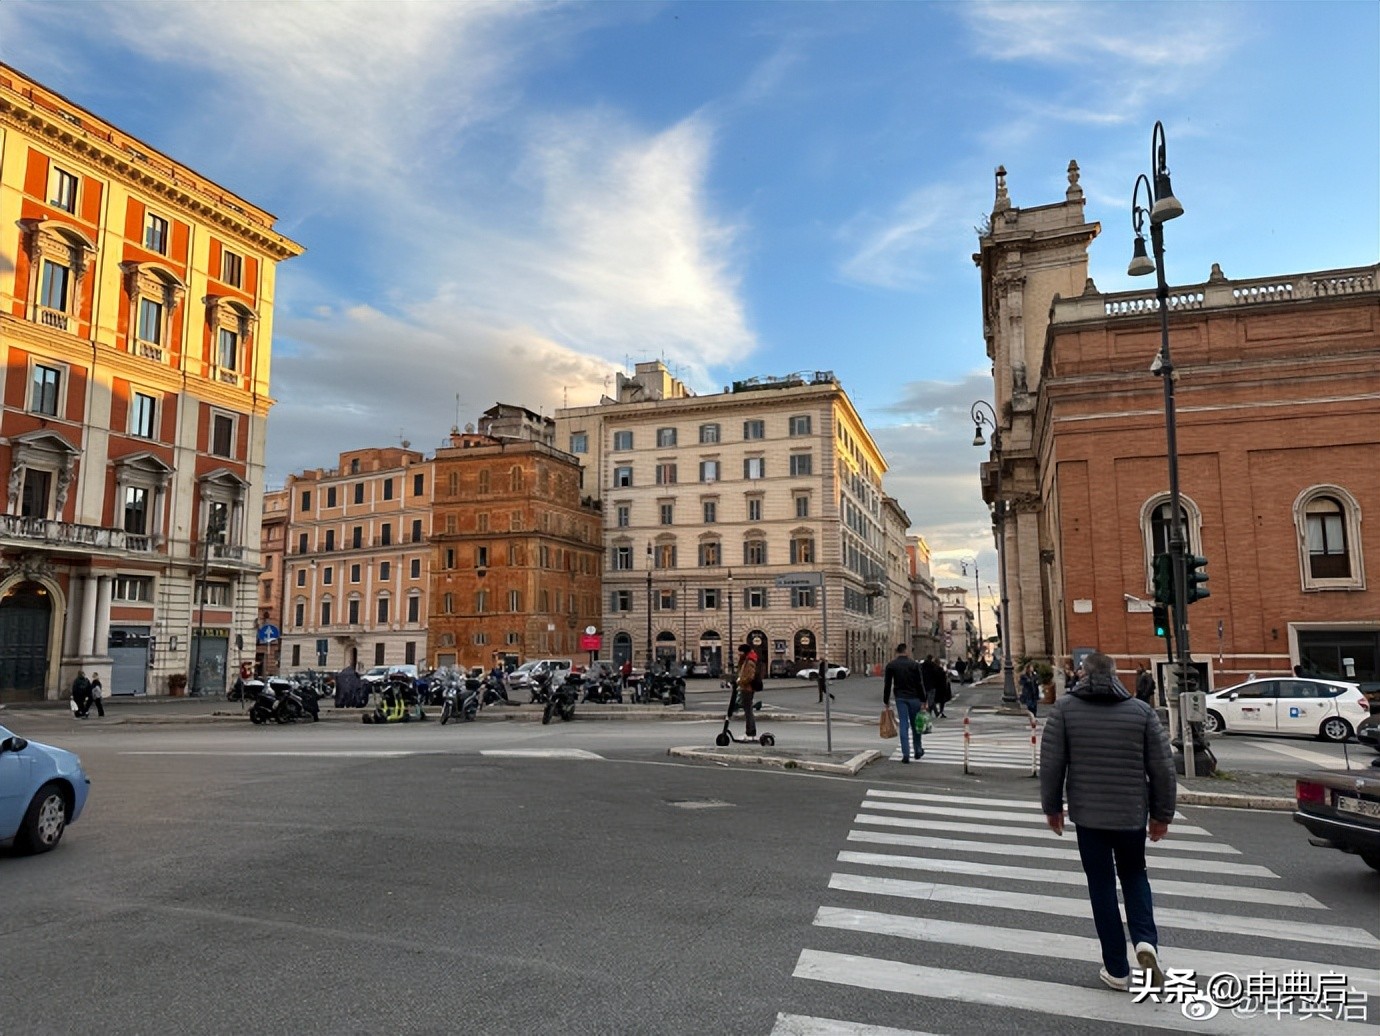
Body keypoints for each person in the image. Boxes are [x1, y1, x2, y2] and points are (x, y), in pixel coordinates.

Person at [1040, 650, 1175, 994]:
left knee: (1101, 886)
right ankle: (1145, 942)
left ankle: (1117, 968)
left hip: (1088, 816)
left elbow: (1052, 765)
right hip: (1131, 815)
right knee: (1134, 875)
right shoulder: (1142, 712)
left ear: (1083, 674)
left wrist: (1052, 808)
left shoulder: (1065, 711)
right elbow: (1163, 770)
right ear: (1115, 674)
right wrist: (1162, 816)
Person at [883, 643, 926, 763]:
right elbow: (920, 683)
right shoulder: (914, 665)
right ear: (906, 651)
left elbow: (887, 684)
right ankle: (917, 749)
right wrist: (924, 699)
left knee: (903, 724)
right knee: (915, 725)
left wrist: (886, 700)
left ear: (897, 651)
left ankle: (905, 753)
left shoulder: (891, 665)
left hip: (900, 697)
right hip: (915, 698)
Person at [734, 645, 758, 738]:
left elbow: (749, 677)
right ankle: (749, 731)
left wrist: (740, 681)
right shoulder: (746, 660)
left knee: (748, 711)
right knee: (747, 710)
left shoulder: (749, 662)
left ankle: (750, 732)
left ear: (744, 652)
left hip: (747, 688)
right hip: (745, 687)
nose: (738, 653)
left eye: (740, 652)